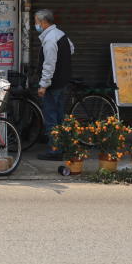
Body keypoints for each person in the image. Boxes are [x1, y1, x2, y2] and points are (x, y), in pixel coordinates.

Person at [35, 9, 75, 161]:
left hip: (54, 84)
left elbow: (49, 64)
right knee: (59, 116)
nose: (36, 25)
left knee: (51, 117)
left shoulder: (51, 39)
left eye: (36, 22)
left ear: (44, 22)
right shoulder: (60, 34)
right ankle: (62, 147)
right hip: (63, 82)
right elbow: (72, 49)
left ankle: (54, 150)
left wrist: (43, 85)